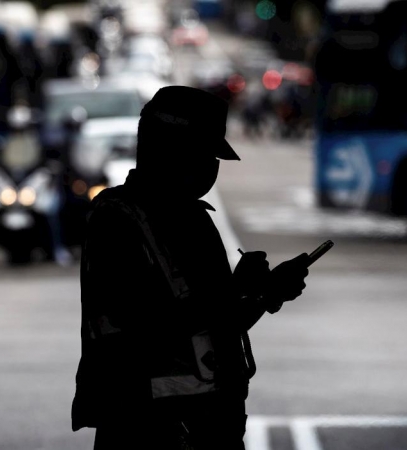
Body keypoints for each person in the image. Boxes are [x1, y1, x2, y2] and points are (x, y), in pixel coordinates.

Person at [72, 86, 311, 449]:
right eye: (205, 154)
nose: (211, 168)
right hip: (145, 433)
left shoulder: (194, 220)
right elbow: (147, 329)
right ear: (171, 151)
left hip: (212, 430)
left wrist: (265, 293)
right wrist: (233, 291)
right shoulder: (117, 224)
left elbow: (215, 329)